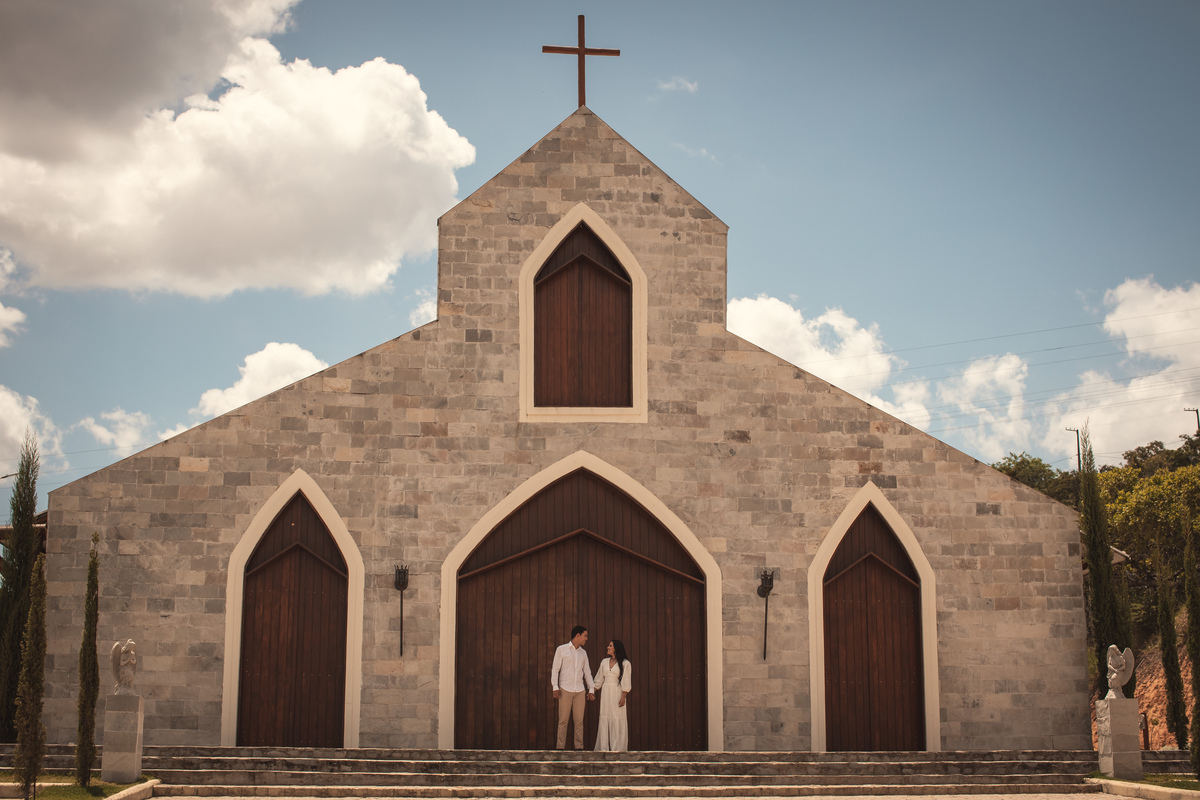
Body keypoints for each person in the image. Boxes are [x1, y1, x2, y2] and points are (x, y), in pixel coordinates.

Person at [551, 625, 594, 749]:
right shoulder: (561, 649)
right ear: (578, 635)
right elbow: (555, 669)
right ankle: (560, 748)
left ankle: (579, 748)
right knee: (563, 721)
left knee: (579, 722)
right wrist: (555, 686)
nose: (586, 639)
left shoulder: (583, 653)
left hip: (580, 691)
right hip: (565, 689)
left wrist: (591, 689)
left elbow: (587, 672)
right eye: (585, 636)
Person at [593, 639, 631, 752]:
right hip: (606, 693)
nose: (608, 647)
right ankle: (603, 747)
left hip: (617, 692)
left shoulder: (625, 663)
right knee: (605, 716)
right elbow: (599, 678)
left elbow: (626, 680)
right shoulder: (604, 662)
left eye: (610, 646)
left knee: (617, 717)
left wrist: (624, 696)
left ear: (616, 648)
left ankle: (617, 748)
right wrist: (592, 691)